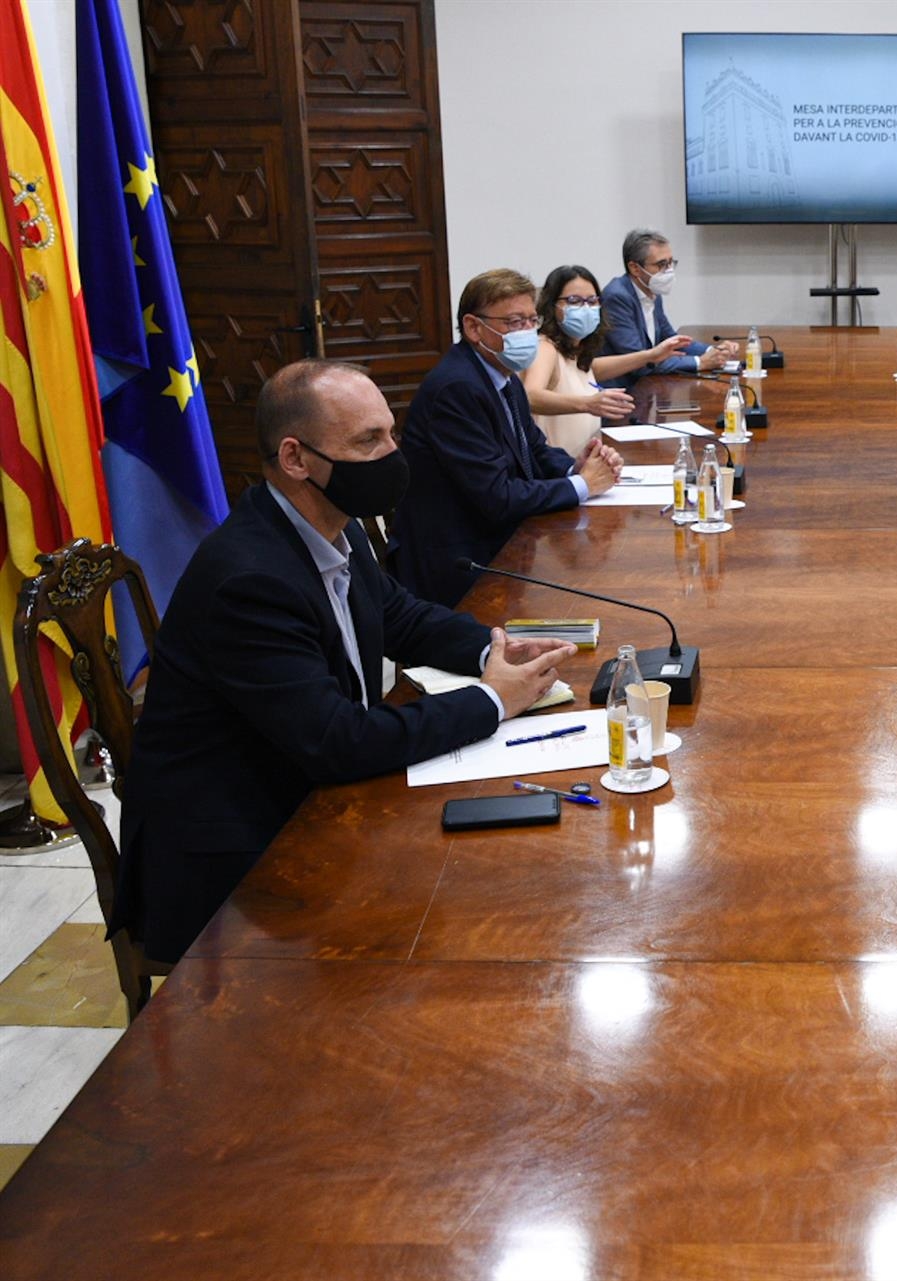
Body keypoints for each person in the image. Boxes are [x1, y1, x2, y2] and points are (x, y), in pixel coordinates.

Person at [113, 360, 576, 964]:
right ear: (295, 458)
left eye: (390, 433)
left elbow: (399, 616)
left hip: (305, 791)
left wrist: (493, 649)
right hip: (233, 855)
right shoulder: (249, 580)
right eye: (367, 441)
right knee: (441, 934)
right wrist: (492, 701)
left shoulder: (334, 524)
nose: (392, 454)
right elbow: (338, 742)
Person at [390, 268, 624, 608]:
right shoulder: (457, 388)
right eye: (514, 322)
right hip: (458, 562)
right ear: (474, 328)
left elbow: (534, 450)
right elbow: (496, 497)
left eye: (532, 321)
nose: (527, 331)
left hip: (498, 544)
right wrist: (583, 485)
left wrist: (576, 466)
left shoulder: (504, 376)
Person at [522, 264, 691, 453]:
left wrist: (651, 355)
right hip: (560, 466)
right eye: (574, 301)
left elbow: (588, 369)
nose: (585, 308)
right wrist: (587, 403)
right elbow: (530, 396)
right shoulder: (545, 347)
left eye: (592, 301)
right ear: (552, 305)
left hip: (586, 462)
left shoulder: (574, 350)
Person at [599, 229, 738, 386]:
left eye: (671, 263)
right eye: (661, 264)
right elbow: (639, 361)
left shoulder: (652, 291)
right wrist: (700, 362)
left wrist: (714, 351)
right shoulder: (617, 297)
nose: (669, 271)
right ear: (635, 268)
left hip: (648, 383)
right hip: (623, 390)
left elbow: (671, 340)